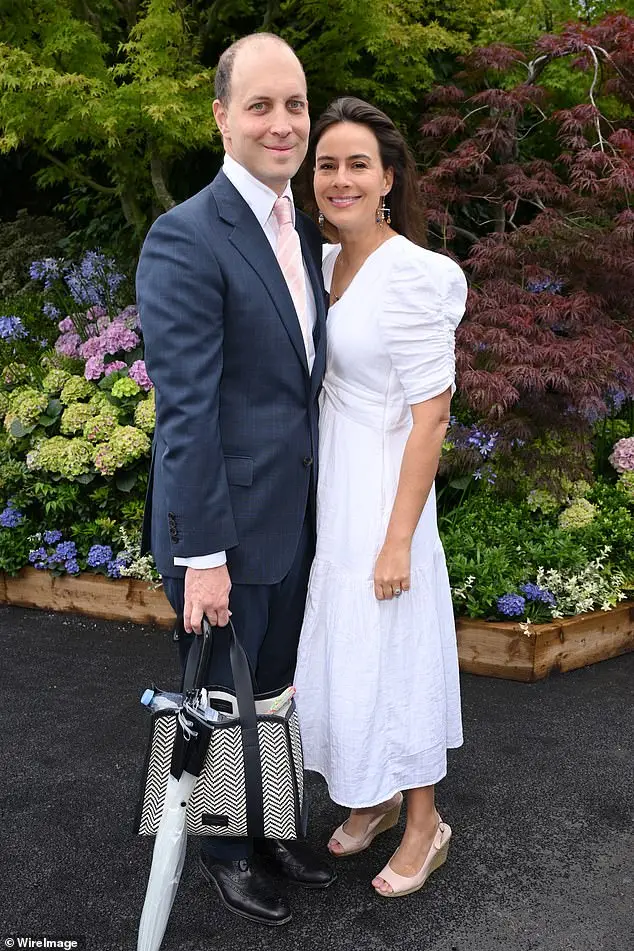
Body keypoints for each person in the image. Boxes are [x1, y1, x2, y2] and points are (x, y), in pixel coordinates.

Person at [136, 33, 333, 927]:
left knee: (276, 684)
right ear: (220, 117)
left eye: (294, 104)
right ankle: (222, 848)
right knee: (217, 691)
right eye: (260, 105)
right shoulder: (185, 237)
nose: (282, 123)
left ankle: (270, 824)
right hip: (221, 528)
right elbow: (187, 413)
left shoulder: (300, 230)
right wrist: (203, 554)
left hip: (290, 515)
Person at [294, 97, 467, 899]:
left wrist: (399, 539)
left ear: (389, 177)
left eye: (358, 162)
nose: (340, 178)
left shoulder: (415, 276)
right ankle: (373, 793)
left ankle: (425, 821)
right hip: (338, 485)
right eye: (327, 163)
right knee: (346, 649)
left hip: (388, 493)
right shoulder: (324, 264)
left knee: (395, 652)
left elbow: (432, 413)